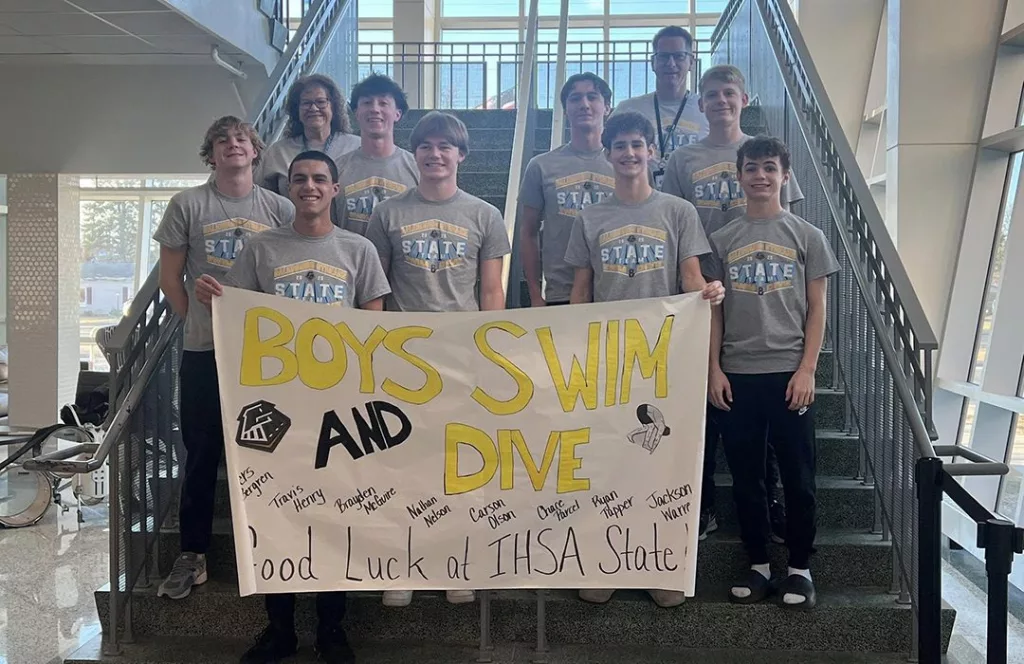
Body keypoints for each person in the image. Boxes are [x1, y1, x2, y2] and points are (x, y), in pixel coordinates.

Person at [195, 151, 391, 664]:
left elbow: (374, 329)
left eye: (319, 179)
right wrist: (215, 299)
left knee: (336, 515)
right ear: (289, 187)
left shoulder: (360, 249)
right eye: (300, 179)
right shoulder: (261, 248)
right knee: (276, 513)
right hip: (275, 406)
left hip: (339, 409)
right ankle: (278, 629)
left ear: (335, 188)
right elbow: (237, 315)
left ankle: (331, 629)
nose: (310, 186)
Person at [564, 110, 725, 609]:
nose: (630, 154)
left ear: (653, 152)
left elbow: (691, 278)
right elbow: (581, 293)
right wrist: (572, 351)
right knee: (608, 459)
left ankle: (662, 563)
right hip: (609, 363)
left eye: (638, 145)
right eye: (620, 146)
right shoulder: (589, 218)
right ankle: (602, 561)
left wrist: (710, 295)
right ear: (607, 153)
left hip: (665, 361)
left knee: (663, 464)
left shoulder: (677, 212)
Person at [365, 111, 510, 607]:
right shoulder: (387, 213)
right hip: (403, 357)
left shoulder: (485, 215)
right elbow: (376, 287)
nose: (434, 154)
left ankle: (456, 560)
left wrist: (490, 355)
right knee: (401, 463)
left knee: (459, 464)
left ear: (461, 155)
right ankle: (400, 564)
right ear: (415, 154)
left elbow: (492, 289)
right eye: (425, 145)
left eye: (444, 146)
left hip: (463, 355)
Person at [154, 116, 295, 600]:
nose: (233, 145)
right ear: (210, 155)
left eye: (241, 139)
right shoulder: (187, 204)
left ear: (256, 152)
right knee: (202, 453)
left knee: (271, 451)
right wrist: (196, 317)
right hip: (205, 351)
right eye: (221, 141)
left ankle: (276, 544)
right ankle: (192, 554)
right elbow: (170, 277)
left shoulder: (278, 207)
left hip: (266, 358)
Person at [662, 64, 804, 543]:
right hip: (701, 288)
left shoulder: (763, 155)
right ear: (699, 104)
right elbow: (676, 222)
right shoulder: (683, 159)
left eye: (729, 93)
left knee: (759, 412)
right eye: (711, 95)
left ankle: (770, 504)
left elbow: (789, 225)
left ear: (744, 98)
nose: (721, 101)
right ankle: (701, 506)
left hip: (754, 292)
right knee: (701, 408)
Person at [706, 136, 839, 611]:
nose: (760, 175)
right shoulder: (721, 240)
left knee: (798, 475)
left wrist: (808, 369)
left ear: (785, 176)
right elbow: (715, 312)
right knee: (746, 476)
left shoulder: (807, 235)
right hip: (738, 373)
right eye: (750, 168)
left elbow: (818, 308)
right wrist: (713, 367)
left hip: (789, 373)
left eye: (769, 167)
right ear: (738, 176)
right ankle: (759, 562)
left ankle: (800, 567)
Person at [519, 73, 616, 307]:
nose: (584, 104)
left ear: (607, 108)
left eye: (592, 97)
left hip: (615, 291)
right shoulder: (541, 166)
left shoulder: (626, 163)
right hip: (561, 292)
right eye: (575, 99)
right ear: (565, 109)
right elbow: (528, 232)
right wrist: (534, 294)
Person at [613, 26, 708, 188]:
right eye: (663, 56)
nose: (671, 63)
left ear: (691, 62)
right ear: (653, 63)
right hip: (641, 205)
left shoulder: (708, 109)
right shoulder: (628, 109)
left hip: (695, 202)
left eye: (679, 56)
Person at [334, 74, 419, 236]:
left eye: (383, 103)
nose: (375, 109)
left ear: (397, 114)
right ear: (356, 113)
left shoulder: (417, 167)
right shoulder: (337, 169)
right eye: (367, 102)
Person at [257, 74, 360, 197]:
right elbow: (263, 199)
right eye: (306, 103)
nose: (314, 108)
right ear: (297, 110)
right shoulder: (278, 152)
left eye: (321, 102)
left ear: (334, 106)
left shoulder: (357, 146)